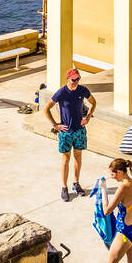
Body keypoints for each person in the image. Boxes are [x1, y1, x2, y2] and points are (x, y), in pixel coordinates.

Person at [43, 67, 96, 201]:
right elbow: (46, 109)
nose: (76, 81)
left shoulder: (82, 90)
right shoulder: (61, 92)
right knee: (66, 159)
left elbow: (93, 102)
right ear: (68, 79)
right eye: (74, 79)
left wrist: (88, 117)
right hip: (66, 132)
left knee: (78, 157)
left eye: (78, 79)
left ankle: (76, 183)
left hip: (79, 131)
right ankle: (64, 187)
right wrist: (55, 125)